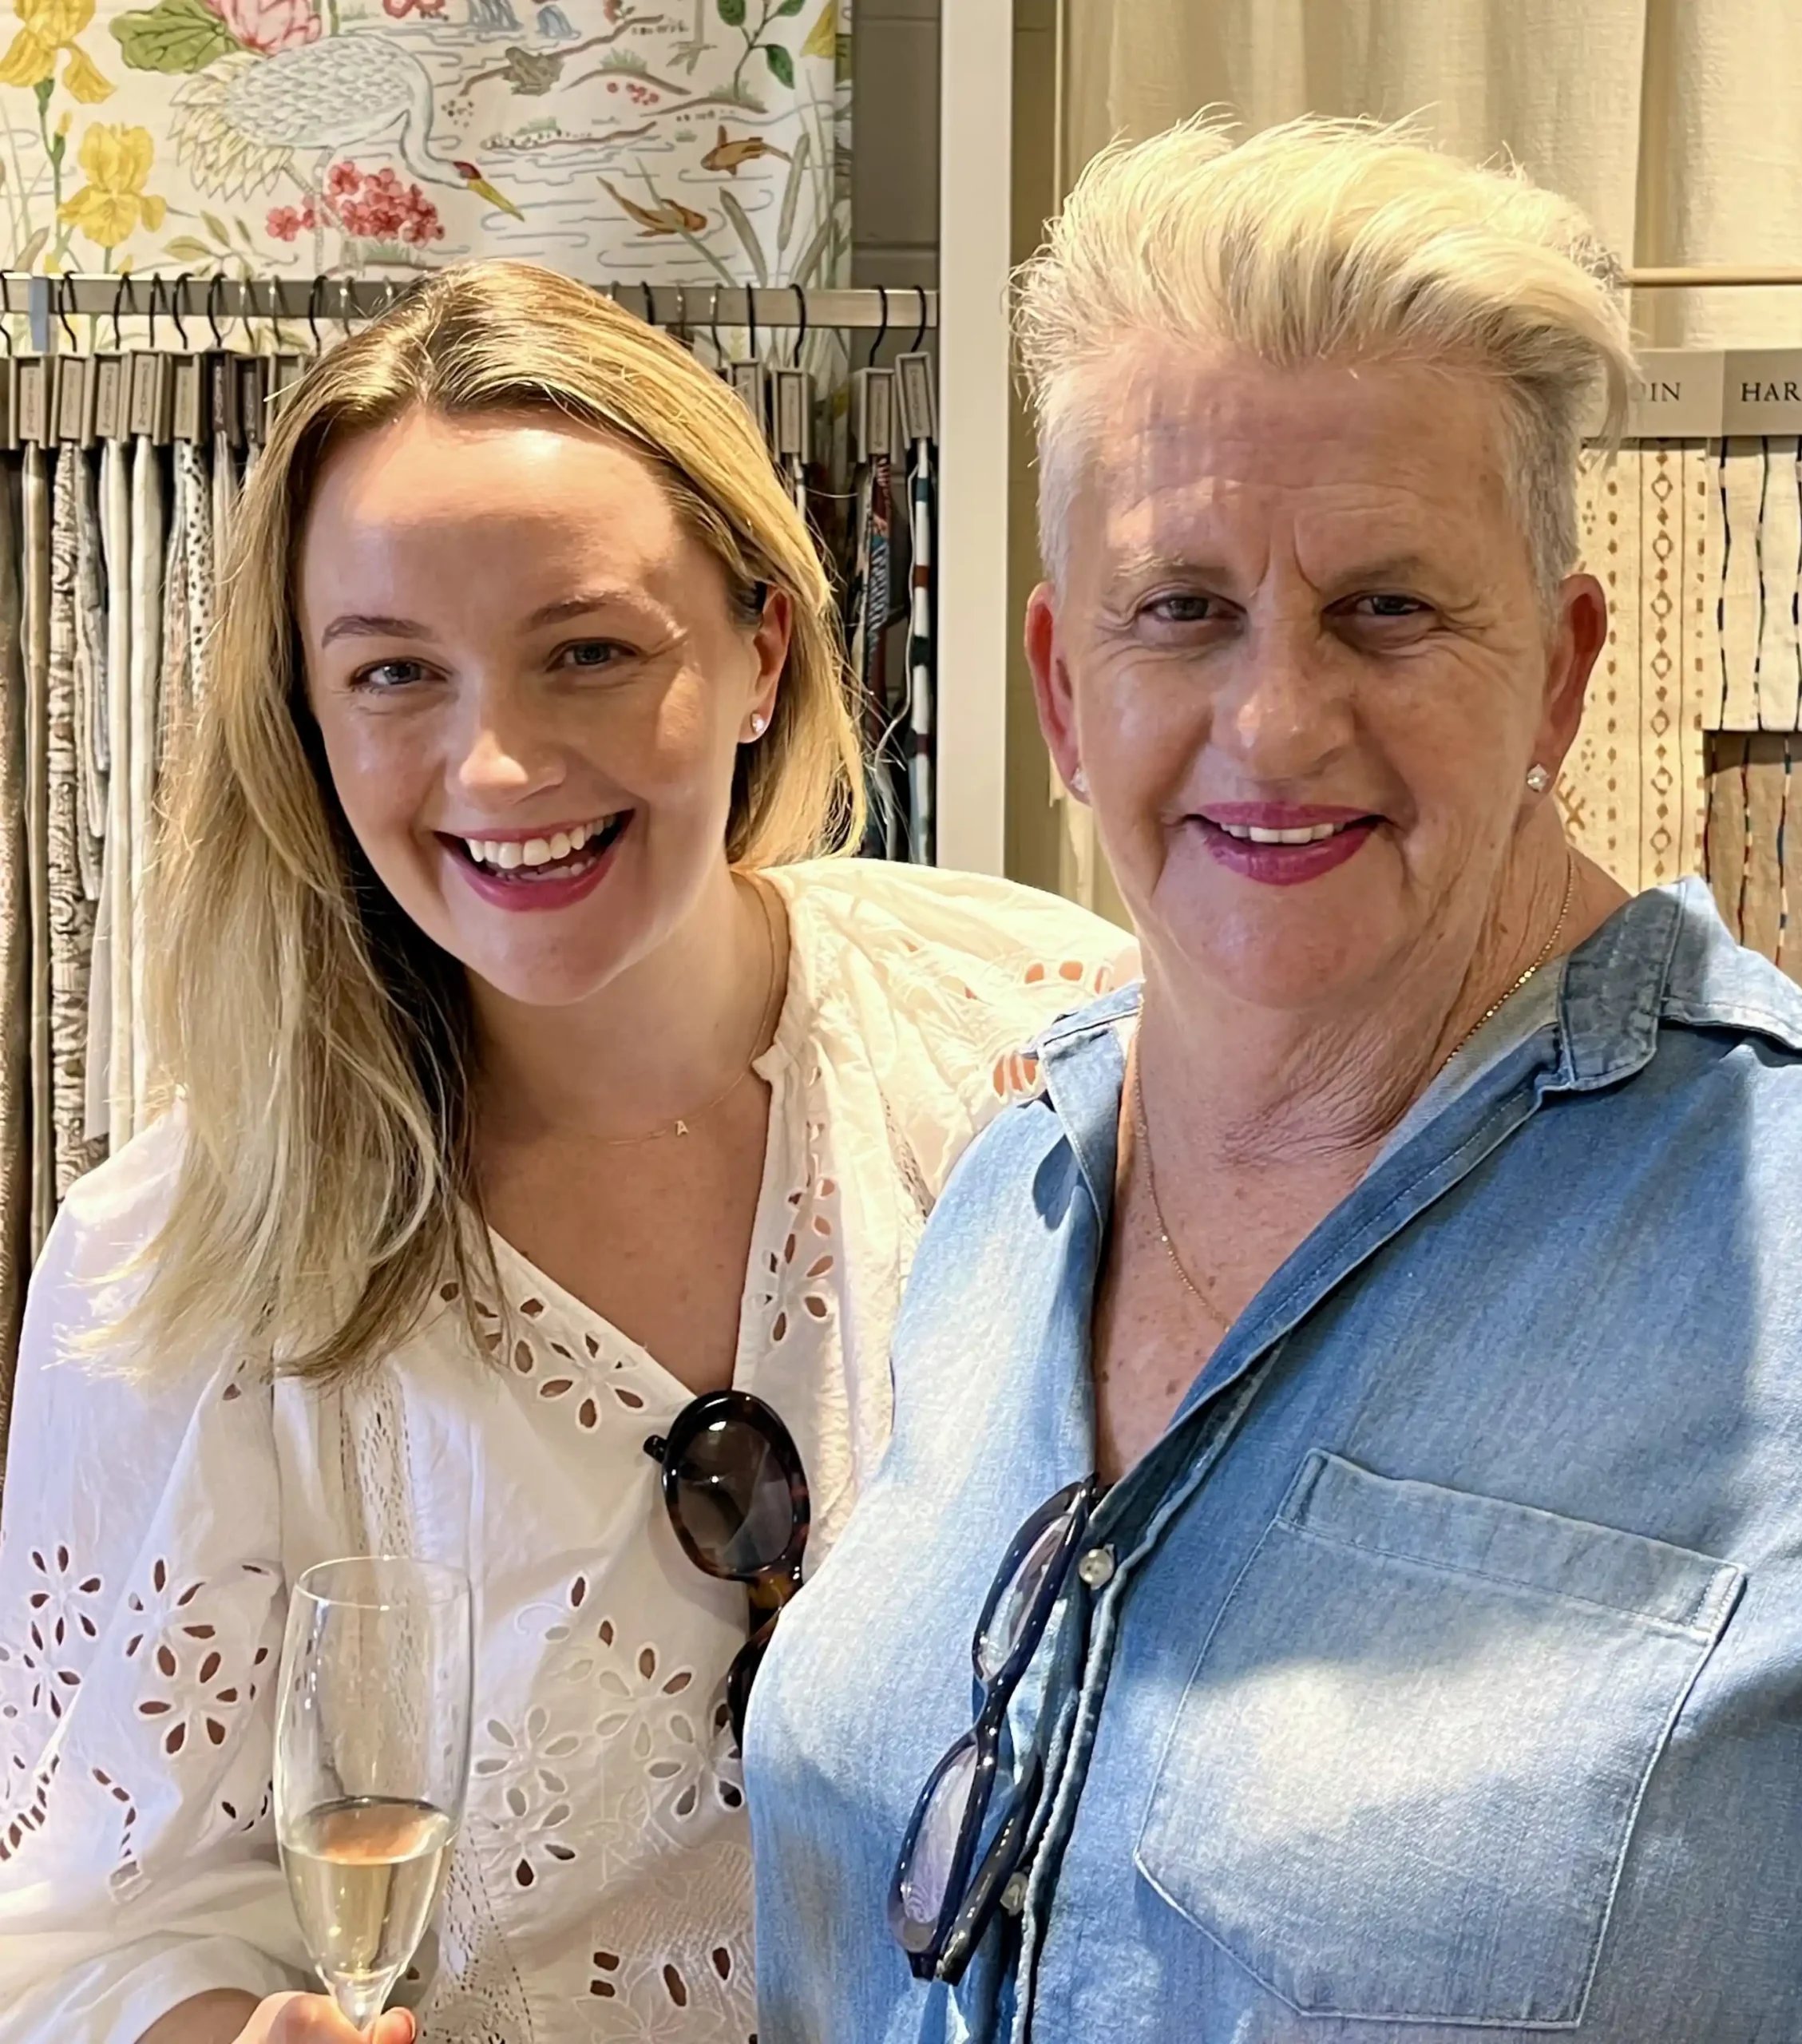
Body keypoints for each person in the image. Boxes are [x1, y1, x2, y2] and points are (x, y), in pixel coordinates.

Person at [743, 117, 1802, 2044]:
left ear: (1558, 673)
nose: (1276, 722)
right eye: (1180, 607)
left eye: (1389, 608)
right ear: (1060, 690)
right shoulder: (1008, 1190)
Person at [0, 262, 1129, 2044]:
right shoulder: (176, 1264)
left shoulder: (1047, 1050)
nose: (499, 764)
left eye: (588, 650)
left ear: (760, 654)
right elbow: (84, 1937)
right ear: (309, 717)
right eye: (395, 673)